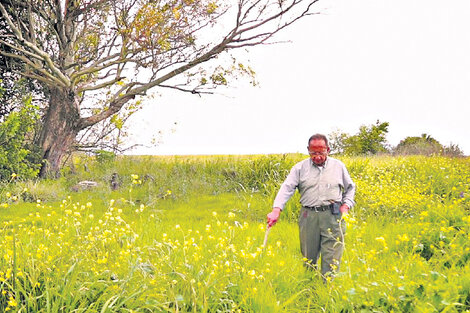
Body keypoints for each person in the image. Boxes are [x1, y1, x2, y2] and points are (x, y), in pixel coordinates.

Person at [267, 133, 356, 278]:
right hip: (308, 216)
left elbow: (350, 188)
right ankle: (309, 286)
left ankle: (328, 289)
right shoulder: (300, 168)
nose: (317, 156)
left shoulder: (338, 166)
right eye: (313, 153)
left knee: (332, 256)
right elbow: (287, 188)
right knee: (309, 256)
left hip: (333, 216)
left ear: (328, 149)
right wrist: (276, 210)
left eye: (321, 152)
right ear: (308, 150)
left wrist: (346, 205)